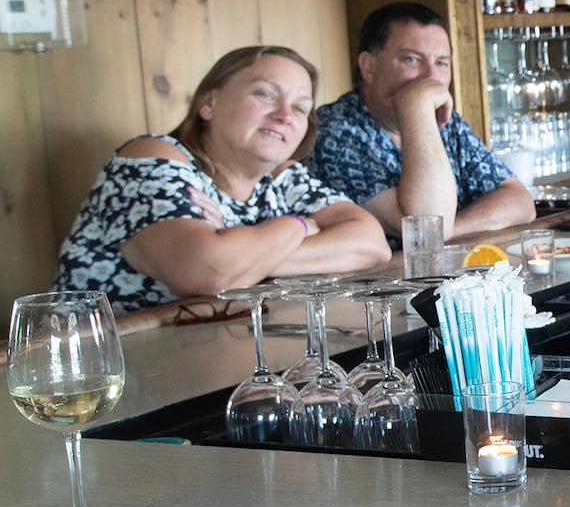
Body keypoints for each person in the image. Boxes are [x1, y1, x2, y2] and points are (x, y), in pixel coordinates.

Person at [54, 46, 389, 314]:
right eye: (266, 95)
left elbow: (373, 245)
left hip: (209, 353)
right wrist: (299, 225)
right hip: (102, 370)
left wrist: (244, 255)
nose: (285, 115)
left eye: (301, 108)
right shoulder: (151, 158)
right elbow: (209, 272)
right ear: (209, 104)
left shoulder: (279, 175)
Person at [308, 3, 535, 241]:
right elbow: (422, 225)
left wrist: (445, 233)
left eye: (442, 63)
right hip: (379, 278)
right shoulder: (333, 131)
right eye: (413, 59)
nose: (431, 77)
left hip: (453, 273)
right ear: (369, 67)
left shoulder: (447, 123)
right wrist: (416, 108)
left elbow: (520, 202)